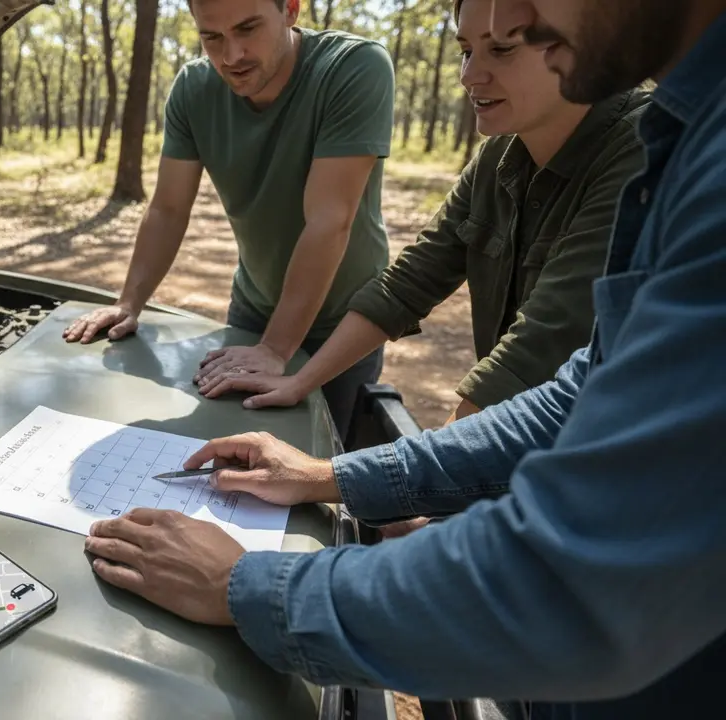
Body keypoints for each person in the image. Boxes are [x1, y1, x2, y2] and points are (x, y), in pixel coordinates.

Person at [83, 0, 726, 717]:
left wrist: (250, 588)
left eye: (505, 43)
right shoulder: (680, 136)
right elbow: (575, 390)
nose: (476, 67)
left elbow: (574, 582)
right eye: (465, 47)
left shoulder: (689, 156)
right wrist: (336, 475)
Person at [201, 0, 649, 430]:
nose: (470, 76)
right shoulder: (502, 156)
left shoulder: (645, 151)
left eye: (502, 49)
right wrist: (298, 380)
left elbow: (536, 349)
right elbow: (409, 283)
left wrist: (401, 490)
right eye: (466, 51)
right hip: (534, 449)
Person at [61, 0, 395, 443]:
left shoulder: (353, 67)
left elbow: (329, 220)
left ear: (290, 9)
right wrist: (129, 302)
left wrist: (277, 349)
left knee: (329, 464)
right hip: (254, 307)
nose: (231, 56)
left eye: (248, 29)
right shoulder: (193, 89)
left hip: (346, 321)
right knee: (236, 450)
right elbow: (168, 208)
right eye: (211, 37)